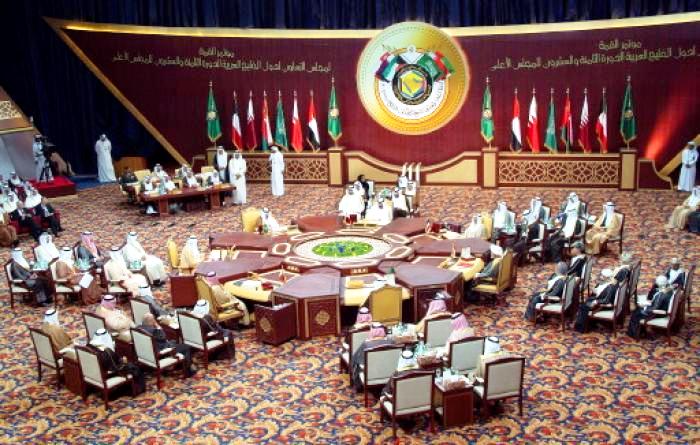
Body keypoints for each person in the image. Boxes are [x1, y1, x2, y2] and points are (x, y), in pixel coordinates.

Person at [88, 328, 145, 395]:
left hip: (94, 374)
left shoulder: (89, 346)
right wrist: (124, 362)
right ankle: (136, 390)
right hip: (107, 373)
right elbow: (115, 368)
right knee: (135, 368)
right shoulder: (106, 351)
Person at [574, 268, 618, 332]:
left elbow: (606, 300)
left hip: (603, 305)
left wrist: (596, 301)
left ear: (606, 277)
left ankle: (581, 328)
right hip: (600, 301)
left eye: (602, 276)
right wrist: (595, 291)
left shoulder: (610, 287)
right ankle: (590, 323)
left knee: (583, 307)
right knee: (585, 302)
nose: (601, 277)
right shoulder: (608, 284)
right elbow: (603, 293)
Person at [350, 322, 393, 389]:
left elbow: (357, 359)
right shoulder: (391, 342)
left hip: (371, 374)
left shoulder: (366, 344)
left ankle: (358, 387)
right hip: (388, 372)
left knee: (356, 363)